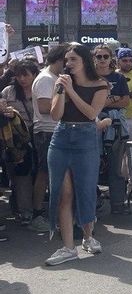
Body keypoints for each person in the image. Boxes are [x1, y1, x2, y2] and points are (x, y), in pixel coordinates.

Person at [45, 44, 109, 266]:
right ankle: (68, 247)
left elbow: (91, 114)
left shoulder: (100, 85)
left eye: (73, 59)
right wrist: (62, 91)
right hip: (61, 137)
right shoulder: (61, 82)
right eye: (66, 60)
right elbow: (56, 115)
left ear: (84, 61)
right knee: (64, 194)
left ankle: (88, 236)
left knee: (85, 190)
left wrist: (71, 90)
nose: (68, 63)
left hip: (85, 138)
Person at [28, 45, 68, 233]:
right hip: (46, 131)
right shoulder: (45, 79)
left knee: (53, 175)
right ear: (60, 59)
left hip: (54, 130)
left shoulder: (53, 77)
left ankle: (53, 213)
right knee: (45, 174)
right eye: (67, 60)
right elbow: (45, 108)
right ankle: (37, 214)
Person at [93, 44, 131, 215]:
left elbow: (125, 102)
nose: (102, 60)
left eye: (105, 57)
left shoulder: (119, 78)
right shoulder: (88, 77)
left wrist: (103, 102)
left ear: (111, 59)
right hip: (93, 125)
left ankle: (118, 204)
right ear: (93, 58)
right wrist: (111, 99)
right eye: (98, 56)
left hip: (116, 127)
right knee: (93, 165)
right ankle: (92, 204)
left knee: (116, 166)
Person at [1, 61, 37, 225]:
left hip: (38, 135)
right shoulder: (9, 92)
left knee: (38, 173)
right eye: (19, 75)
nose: (22, 79)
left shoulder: (40, 89)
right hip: (16, 141)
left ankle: (34, 207)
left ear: (34, 75)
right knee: (20, 175)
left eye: (26, 75)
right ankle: (24, 210)